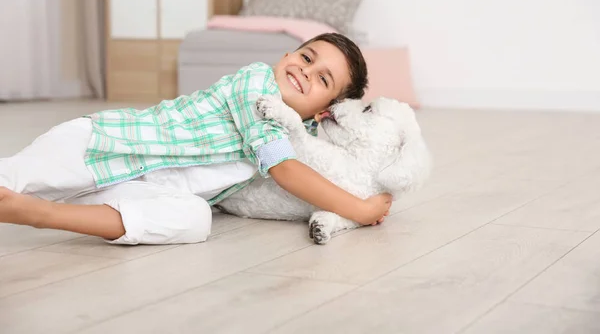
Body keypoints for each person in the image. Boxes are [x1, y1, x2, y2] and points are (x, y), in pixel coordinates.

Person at [0, 33, 392, 245]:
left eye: (323, 79)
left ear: (326, 110)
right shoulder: (256, 85)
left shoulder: (302, 135)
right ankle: (25, 201)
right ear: (286, 55)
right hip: (105, 145)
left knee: (195, 220)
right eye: (307, 58)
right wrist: (359, 209)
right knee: (12, 177)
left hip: (143, 189)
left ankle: (39, 215)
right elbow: (285, 170)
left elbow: (317, 171)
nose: (306, 71)